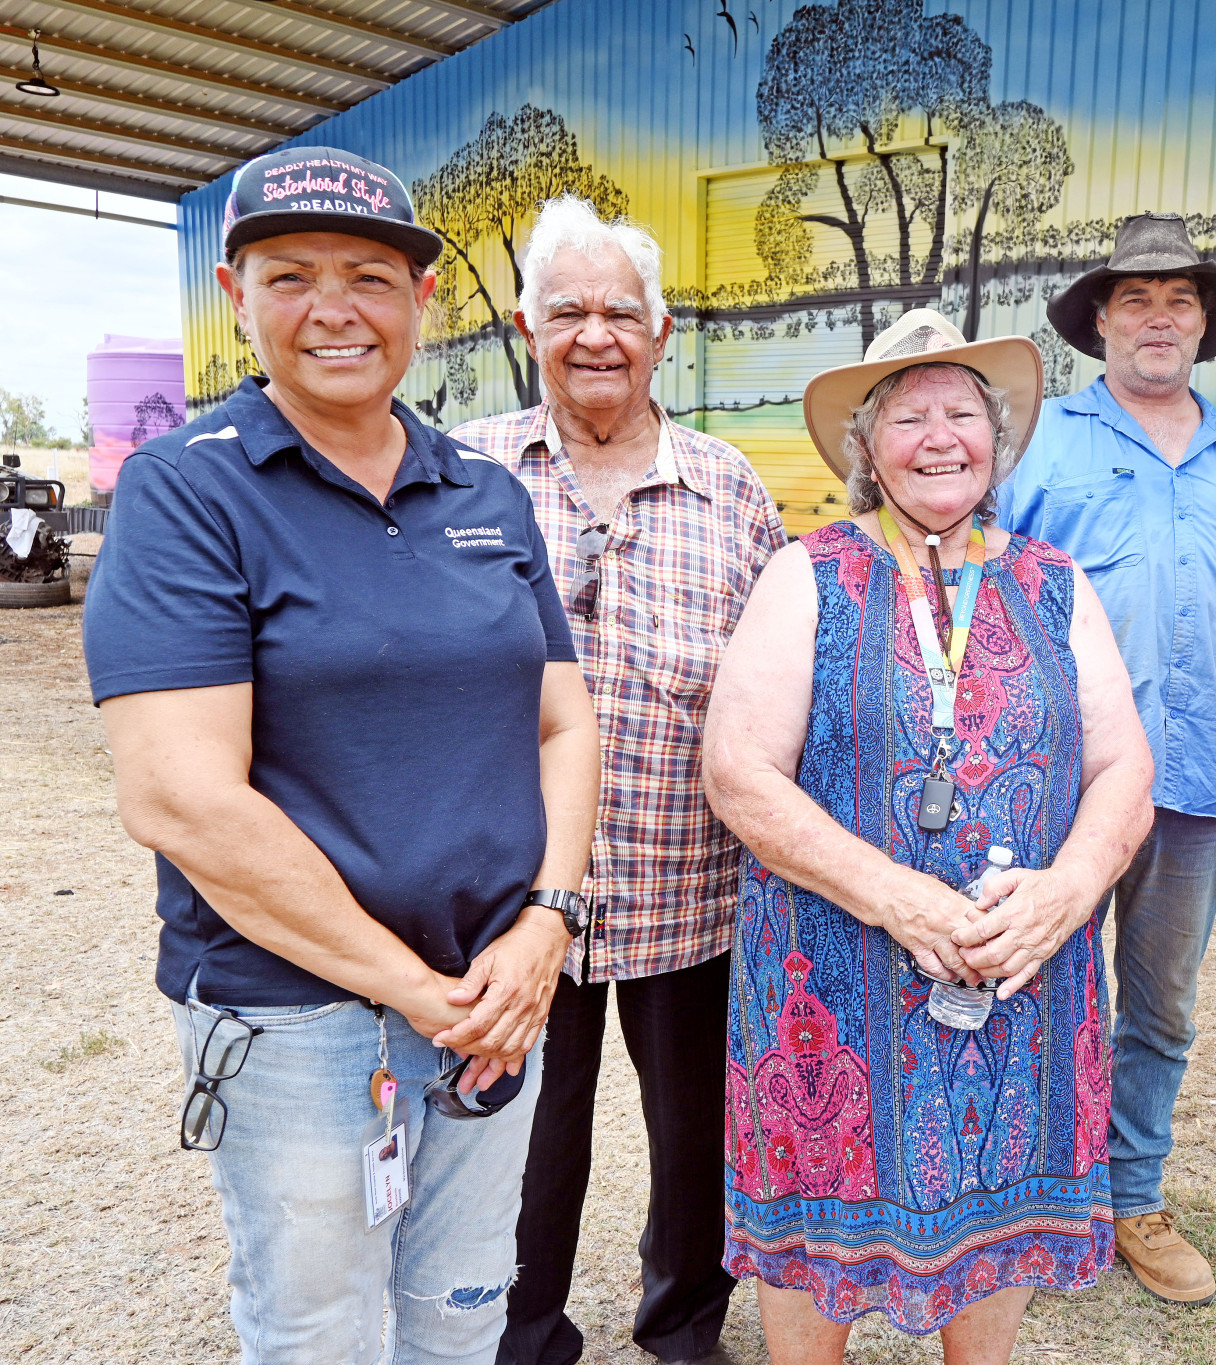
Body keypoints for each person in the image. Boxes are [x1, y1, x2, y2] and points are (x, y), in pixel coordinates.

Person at [82, 146, 600, 1364]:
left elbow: (565, 721)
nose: (334, 310)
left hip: (494, 990)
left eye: (370, 276)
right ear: (236, 295)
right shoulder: (187, 494)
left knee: (463, 1309)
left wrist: (548, 921)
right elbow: (180, 797)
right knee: (316, 1328)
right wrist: (415, 992)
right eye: (291, 275)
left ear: (421, 303)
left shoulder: (482, 487)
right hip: (301, 1018)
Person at [702, 309, 1154, 1361]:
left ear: (996, 441)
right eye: (908, 417)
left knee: (996, 1208)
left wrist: (1069, 889)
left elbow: (1124, 766)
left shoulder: (1052, 583)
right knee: (817, 1215)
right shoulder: (805, 573)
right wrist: (896, 897)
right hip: (832, 984)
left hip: (1017, 978)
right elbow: (738, 772)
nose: (939, 435)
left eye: (962, 412)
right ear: (864, 449)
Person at [449, 194, 786, 1365]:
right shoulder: (461, 476)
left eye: (620, 312)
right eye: (569, 310)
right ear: (525, 323)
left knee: (696, 1137)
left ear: (662, 330)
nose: (596, 334)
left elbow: (785, 682)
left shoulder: (729, 489)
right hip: (507, 900)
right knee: (521, 1139)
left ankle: (684, 1325)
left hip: (691, 891)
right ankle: (521, 1333)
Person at [999, 211, 1216, 1304]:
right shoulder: (1042, 441)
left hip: (1200, 786)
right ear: (1098, 323)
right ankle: (1026, 1203)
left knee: (1160, 1005)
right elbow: (986, 599)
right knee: (1031, 986)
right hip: (1055, 791)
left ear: (1205, 324)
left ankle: (1132, 1199)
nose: (1158, 316)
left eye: (1179, 299)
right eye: (1134, 298)